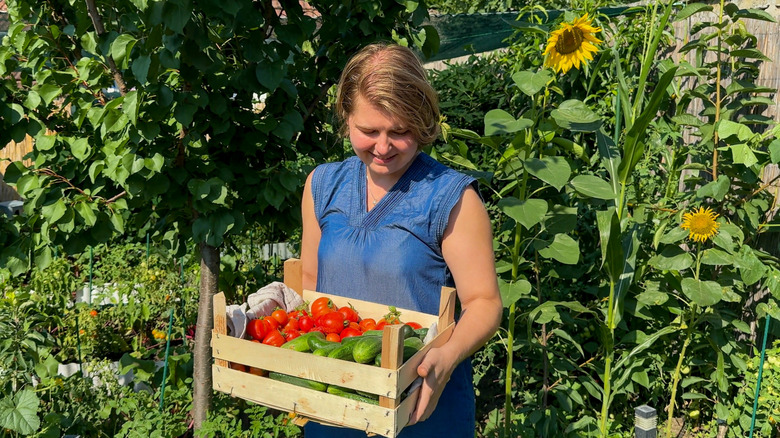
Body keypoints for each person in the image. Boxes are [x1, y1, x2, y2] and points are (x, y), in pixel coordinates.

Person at [300, 42, 502, 437]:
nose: (383, 146)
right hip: (336, 400)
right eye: (369, 130)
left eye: (400, 131)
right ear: (346, 118)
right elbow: (310, 283)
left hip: (422, 401)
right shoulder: (323, 185)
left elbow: (484, 302)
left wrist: (445, 358)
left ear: (422, 121)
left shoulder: (452, 197)